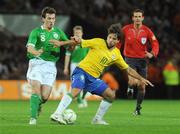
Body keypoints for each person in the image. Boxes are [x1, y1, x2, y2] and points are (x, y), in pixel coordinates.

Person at [49, 23, 153, 125]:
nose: (110, 40)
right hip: (81, 71)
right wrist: (62, 43)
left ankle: (97, 120)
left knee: (110, 95)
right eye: (110, 37)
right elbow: (80, 41)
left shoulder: (116, 55)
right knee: (75, 91)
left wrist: (141, 78)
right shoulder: (98, 42)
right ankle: (57, 114)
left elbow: (128, 69)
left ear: (118, 41)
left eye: (113, 39)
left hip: (93, 79)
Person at [26, 7, 73, 125]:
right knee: (36, 89)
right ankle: (33, 119)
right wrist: (36, 52)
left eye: (53, 19)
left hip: (51, 66)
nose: (51, 21)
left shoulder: (58, 32)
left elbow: (69, 47)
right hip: (37, 62)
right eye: (49, 18)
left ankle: (38, 105)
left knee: (45, 97)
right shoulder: (36, 32)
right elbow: (30, 47)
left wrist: (69, 42)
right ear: (43, 19)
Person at [122, 9, 159, 115]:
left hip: (142, 60)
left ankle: (138, 108)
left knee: (142, 86)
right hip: (129, 59)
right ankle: (130, 87)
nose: (137, 18)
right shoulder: (125, 29)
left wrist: (152, 53)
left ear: (142, 18)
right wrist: (114, 52)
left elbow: (155, 43)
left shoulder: (147, 31)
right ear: (132, 18)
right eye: (135, 16)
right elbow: (119, 42)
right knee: (133, 81)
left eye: (139, 17)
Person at [64, 25, 89, 108]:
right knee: (76, 83)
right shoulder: (71, 44)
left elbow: (90, 56)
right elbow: (67, 55)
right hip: (74, 65)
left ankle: (82, 97)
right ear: (73, 34)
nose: (77, 34)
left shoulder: (86, 44)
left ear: (82, 33)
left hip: (85, 65)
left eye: (79, 33)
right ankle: (79, 100)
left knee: (86, 83)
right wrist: (65, 67)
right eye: (76, 33)